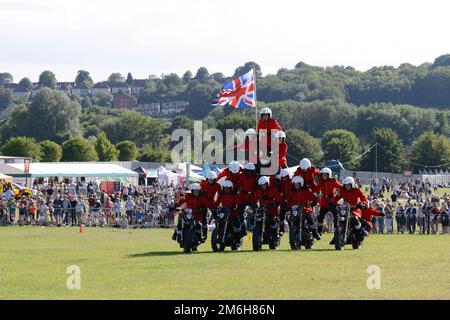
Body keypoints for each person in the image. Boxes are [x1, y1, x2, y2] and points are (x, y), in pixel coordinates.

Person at [287, 176, 321, 240]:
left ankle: (315, 233)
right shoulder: (292, 191)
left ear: (301, 184)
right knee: (290, 219)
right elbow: (289, 201)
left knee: (309, 218)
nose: (296, 185)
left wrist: (314, 202)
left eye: (297, 184)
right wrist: (287, 206)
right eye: (295, 184)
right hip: (295, 210)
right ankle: (293, 233)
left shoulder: (307, 190)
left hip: (305, 209)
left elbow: (315, 198)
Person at [313, 167, 342, 241]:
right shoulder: (321, 182)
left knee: (336, 217)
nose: (324, 176)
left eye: (325, 175)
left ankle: (336, 233)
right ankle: (319, 232)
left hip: (332, 201)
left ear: (329, 175)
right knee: (320, 217)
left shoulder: (333, 181)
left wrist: (338, 196)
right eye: (323, 175)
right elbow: (316, 189)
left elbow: (341, 188)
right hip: (323, 201)